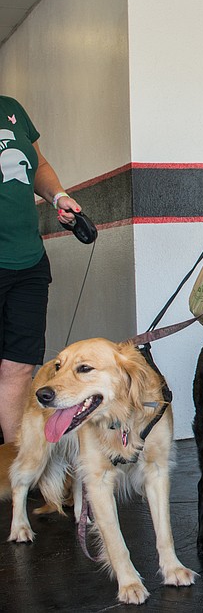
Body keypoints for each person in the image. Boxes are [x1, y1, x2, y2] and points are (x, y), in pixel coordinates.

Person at [0, 95, 81, 444]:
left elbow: (39, 165)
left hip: (28, 260)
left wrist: (58, 196)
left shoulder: (11, 109)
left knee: (18, 365)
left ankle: (15, 468)